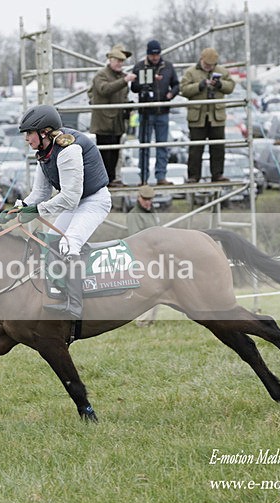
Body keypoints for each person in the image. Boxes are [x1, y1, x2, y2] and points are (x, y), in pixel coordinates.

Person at [10, 104, 112, 319]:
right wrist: (19, 207)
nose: (27, 138)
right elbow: (40, 193)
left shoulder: (68, 150)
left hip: (94, 201)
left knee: (68, 245)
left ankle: (75, 306)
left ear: (44, 132)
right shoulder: (44, 151)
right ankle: (57, 293)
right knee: (51, 242)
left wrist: (36, 210)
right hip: (76, 204)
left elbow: (69, 197)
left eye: (29, 133)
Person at [180, 47, 235, 183]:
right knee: (195, 149)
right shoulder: (190, 72)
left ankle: (217, 174)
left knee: (218, 147)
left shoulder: (222, 71)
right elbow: (184, 90)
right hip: (197, 117)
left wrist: (220, 84)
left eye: (212, 65)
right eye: (207, 65)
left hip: (216, 117)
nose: (209, 68)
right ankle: (193, 176)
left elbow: (231, 87)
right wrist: (200, 85)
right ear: (201, 60)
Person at [130, 39, 179, 186]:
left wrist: (171, 94)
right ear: (148, 54)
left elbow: (176, 84)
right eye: (152, 55)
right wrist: (147, 82)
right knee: (144, 146)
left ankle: (161, 177)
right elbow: (133, 87)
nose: (155, 58)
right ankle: (143, 178)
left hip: (163, 111)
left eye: (157, 55)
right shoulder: (139, 67)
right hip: (146, 112)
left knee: (162, 145)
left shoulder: (168, 67)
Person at [89, 44, 137, 187]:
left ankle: (112, 178)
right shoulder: (101, 75)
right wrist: (124, 81)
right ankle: (104, 180)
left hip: (117, 121)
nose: (120, 64)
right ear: (110, 60)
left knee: (115, 152)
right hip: (103, 121)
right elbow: (104, 90)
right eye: (117, 60)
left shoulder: (121, 76)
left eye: (122, 61)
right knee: (104, 153)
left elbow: (122, 95)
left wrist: (127, 106)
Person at [126, 185, 160, 326]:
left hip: (154, 256)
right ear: (138, 198)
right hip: (142, 257)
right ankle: (142, 320)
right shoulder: (134, 215)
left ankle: (150, 319)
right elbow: (135, 239)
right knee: (146, 290)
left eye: (150, 199)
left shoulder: (152, 212)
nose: (148, 202)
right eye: (145, 199)